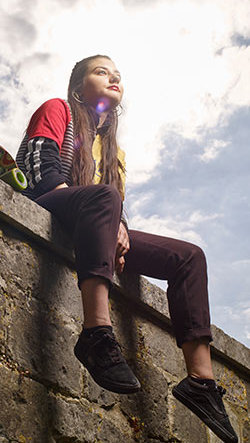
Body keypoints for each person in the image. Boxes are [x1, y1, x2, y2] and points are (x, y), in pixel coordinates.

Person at [16, 55, 238, 443]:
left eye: (117, 75)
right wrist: (105, 213)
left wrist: (117, 227)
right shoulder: (58, 109)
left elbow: (115, 203)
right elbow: (39, 168)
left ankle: (200, 382)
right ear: (78, 87)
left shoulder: (114, 152)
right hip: (51, 202)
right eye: (101, 72)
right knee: (102, 198)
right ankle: (96, 334)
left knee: (189, 257)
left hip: (95, 218)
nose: (113, 78)